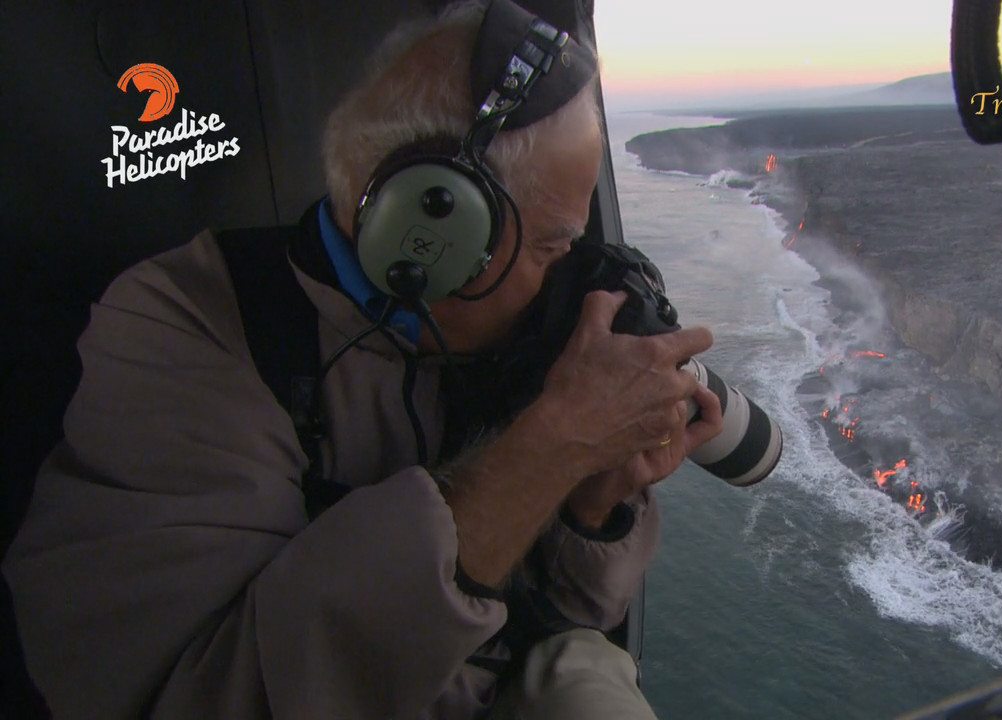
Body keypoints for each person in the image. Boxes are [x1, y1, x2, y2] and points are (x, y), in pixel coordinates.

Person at [1, 1, 723, 718]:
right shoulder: (183, 327)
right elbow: (203, 697)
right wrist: (548, 446)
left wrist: (592, 505)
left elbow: (568, 619)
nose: (567, 277)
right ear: (432, 224)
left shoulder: (515, 333)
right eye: (549, 246)